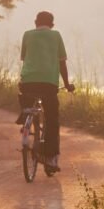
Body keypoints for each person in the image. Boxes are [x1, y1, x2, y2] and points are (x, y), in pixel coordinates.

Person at [18, 11, 74, 170]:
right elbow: (62, 63)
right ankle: (49, 158)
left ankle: (25, 115)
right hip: (48, 84)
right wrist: (67, 84)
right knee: (52, 118)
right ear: (52, 25)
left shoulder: (27, 35)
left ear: (35, 22)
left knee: (27, 99)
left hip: (28, 82)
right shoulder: (56, 35)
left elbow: (25, 59)